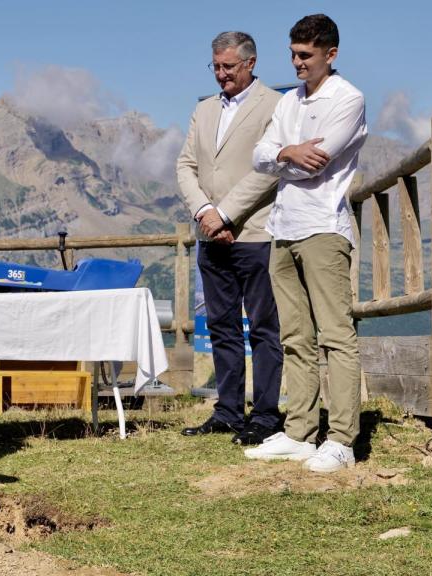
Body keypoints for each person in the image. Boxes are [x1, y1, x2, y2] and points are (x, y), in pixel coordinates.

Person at [244, 14, 367, 473]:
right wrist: (284, 152)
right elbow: (260, 157)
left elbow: (316, 163)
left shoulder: (348, 99)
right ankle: (299, 431)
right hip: (283, 228)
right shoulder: (289, 101)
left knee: (336, 335)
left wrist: (287, 156)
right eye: (293, 54)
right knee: (294, 335)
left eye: (305, 56)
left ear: (330, 54)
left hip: (323, 227)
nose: (296, 63)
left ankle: (341, 439)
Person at [176, 31, 284, 446]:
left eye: (229, 67)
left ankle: (267, 415)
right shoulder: (202, 110)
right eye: (216, 67)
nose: (221, 74)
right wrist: (204, 211)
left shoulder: (275, 105)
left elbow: (269, 169)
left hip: (255, 233)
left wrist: (225, 213)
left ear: (251, 63)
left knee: (263, 328)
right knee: (221, 325)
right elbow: (186, 164)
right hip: (210, 237)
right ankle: (227, 412)